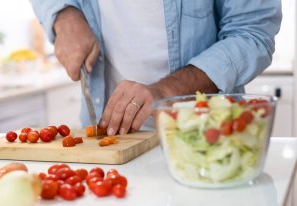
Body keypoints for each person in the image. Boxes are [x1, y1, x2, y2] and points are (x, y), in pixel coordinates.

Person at [29, 0, 282, 136]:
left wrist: (167, 90)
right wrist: (65, 15)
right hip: (109, 138)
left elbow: (253, 33)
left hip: (204, 134)